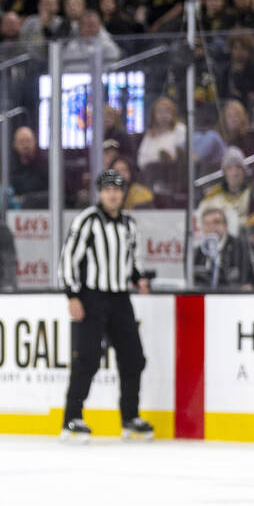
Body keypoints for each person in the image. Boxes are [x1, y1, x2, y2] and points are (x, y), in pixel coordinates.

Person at [58, 170, 152, 443]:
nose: (112, 194)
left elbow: (134, 262)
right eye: (108, 189)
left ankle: (130, 417)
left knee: (134, 357)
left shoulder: (128, 225)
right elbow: (68, 259)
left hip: (120, 297)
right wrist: (72, 295)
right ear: (100, 192)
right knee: (87, 357)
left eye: (117, 189)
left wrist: (139, 279)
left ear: (123, 193)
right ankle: (72, 418)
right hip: (91, 296)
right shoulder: (87, 221)